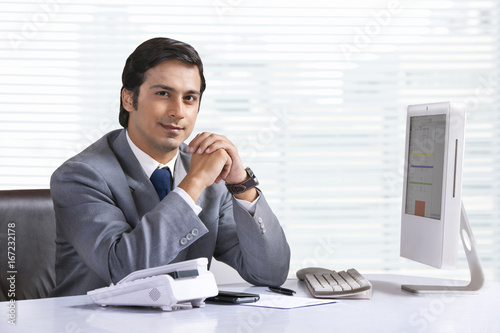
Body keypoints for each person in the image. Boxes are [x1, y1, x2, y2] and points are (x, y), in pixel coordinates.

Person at [49, 37, 290, 297]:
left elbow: (270, 274)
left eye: (189, 98)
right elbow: (124, 270)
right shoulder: (80, 175)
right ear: (129, 99)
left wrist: (241, 184)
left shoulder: (206, 172)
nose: (178, 112)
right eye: (163, 94)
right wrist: (194, 183)